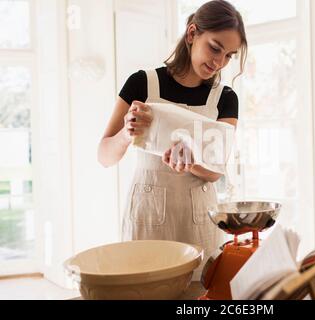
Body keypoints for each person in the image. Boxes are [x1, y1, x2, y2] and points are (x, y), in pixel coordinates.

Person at [97, 0, 247, 279]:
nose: (219, 62)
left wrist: (190, 162)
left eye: (229, 55)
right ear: (192, 34)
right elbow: (104, 155)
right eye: (215, 48)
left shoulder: (225, 98)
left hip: (200, 215)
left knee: (199, 292)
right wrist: (126, 133)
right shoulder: (142, 84)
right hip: (147, 211)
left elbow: (215, 172)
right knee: (142, 286)